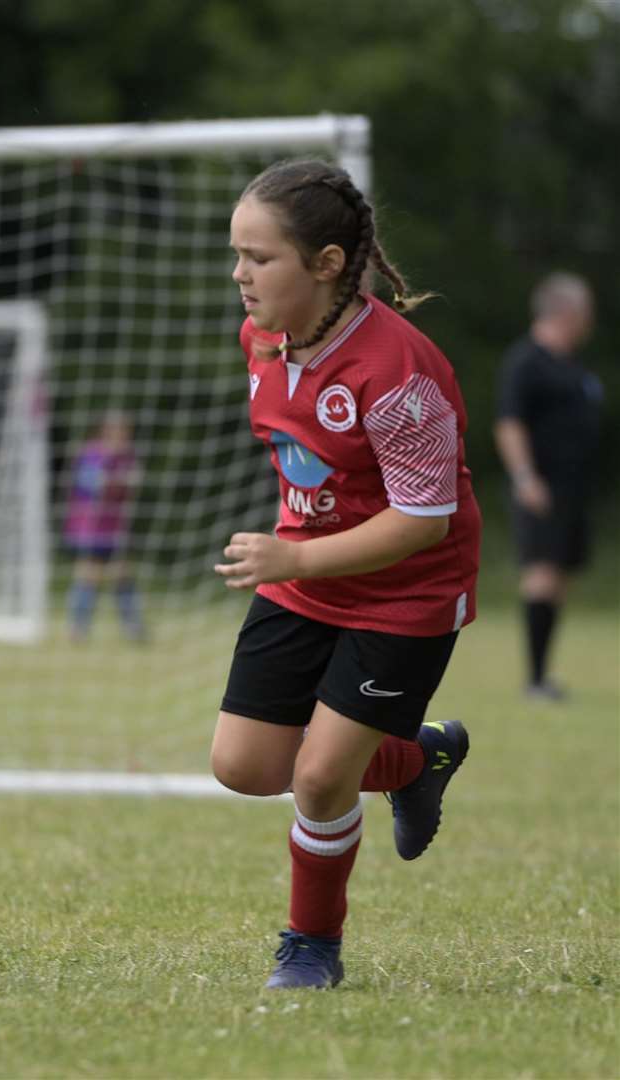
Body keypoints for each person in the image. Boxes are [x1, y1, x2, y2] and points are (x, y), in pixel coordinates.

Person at [211, 159, 480, 989]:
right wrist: (297, 557)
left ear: (325, 264)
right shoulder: (261, 337)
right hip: (306, 577)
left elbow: (421, 519)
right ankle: (418, 759)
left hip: (406, 592)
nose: (239, 274)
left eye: (259, 258)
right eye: (237, 254)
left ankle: (311, 946)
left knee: (321, 777)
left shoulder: (399, 371)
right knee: (244, 768)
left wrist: (291, 554)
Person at [493, 273, 601, 702]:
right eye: (586, 310)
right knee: (540, 573)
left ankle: (544, 676)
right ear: (565, 311)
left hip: (574, 490)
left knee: (560, 577)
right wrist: (525, 478)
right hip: (541, 487)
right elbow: (509, 422)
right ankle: (534, 680)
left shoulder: (572, 365)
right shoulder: (526, 361)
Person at [63, 410, 145, 642]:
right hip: (89, 527)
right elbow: (88, 485)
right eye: (119, 431)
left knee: (122, 574)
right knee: (88, 574)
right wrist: (114, 477)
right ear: (106, 431)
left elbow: (134, 482)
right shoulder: (92, 454)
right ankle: (77, 628)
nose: (123, 437)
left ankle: (133, 627)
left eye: (126, 433)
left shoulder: (127, 456)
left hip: (115, 528)